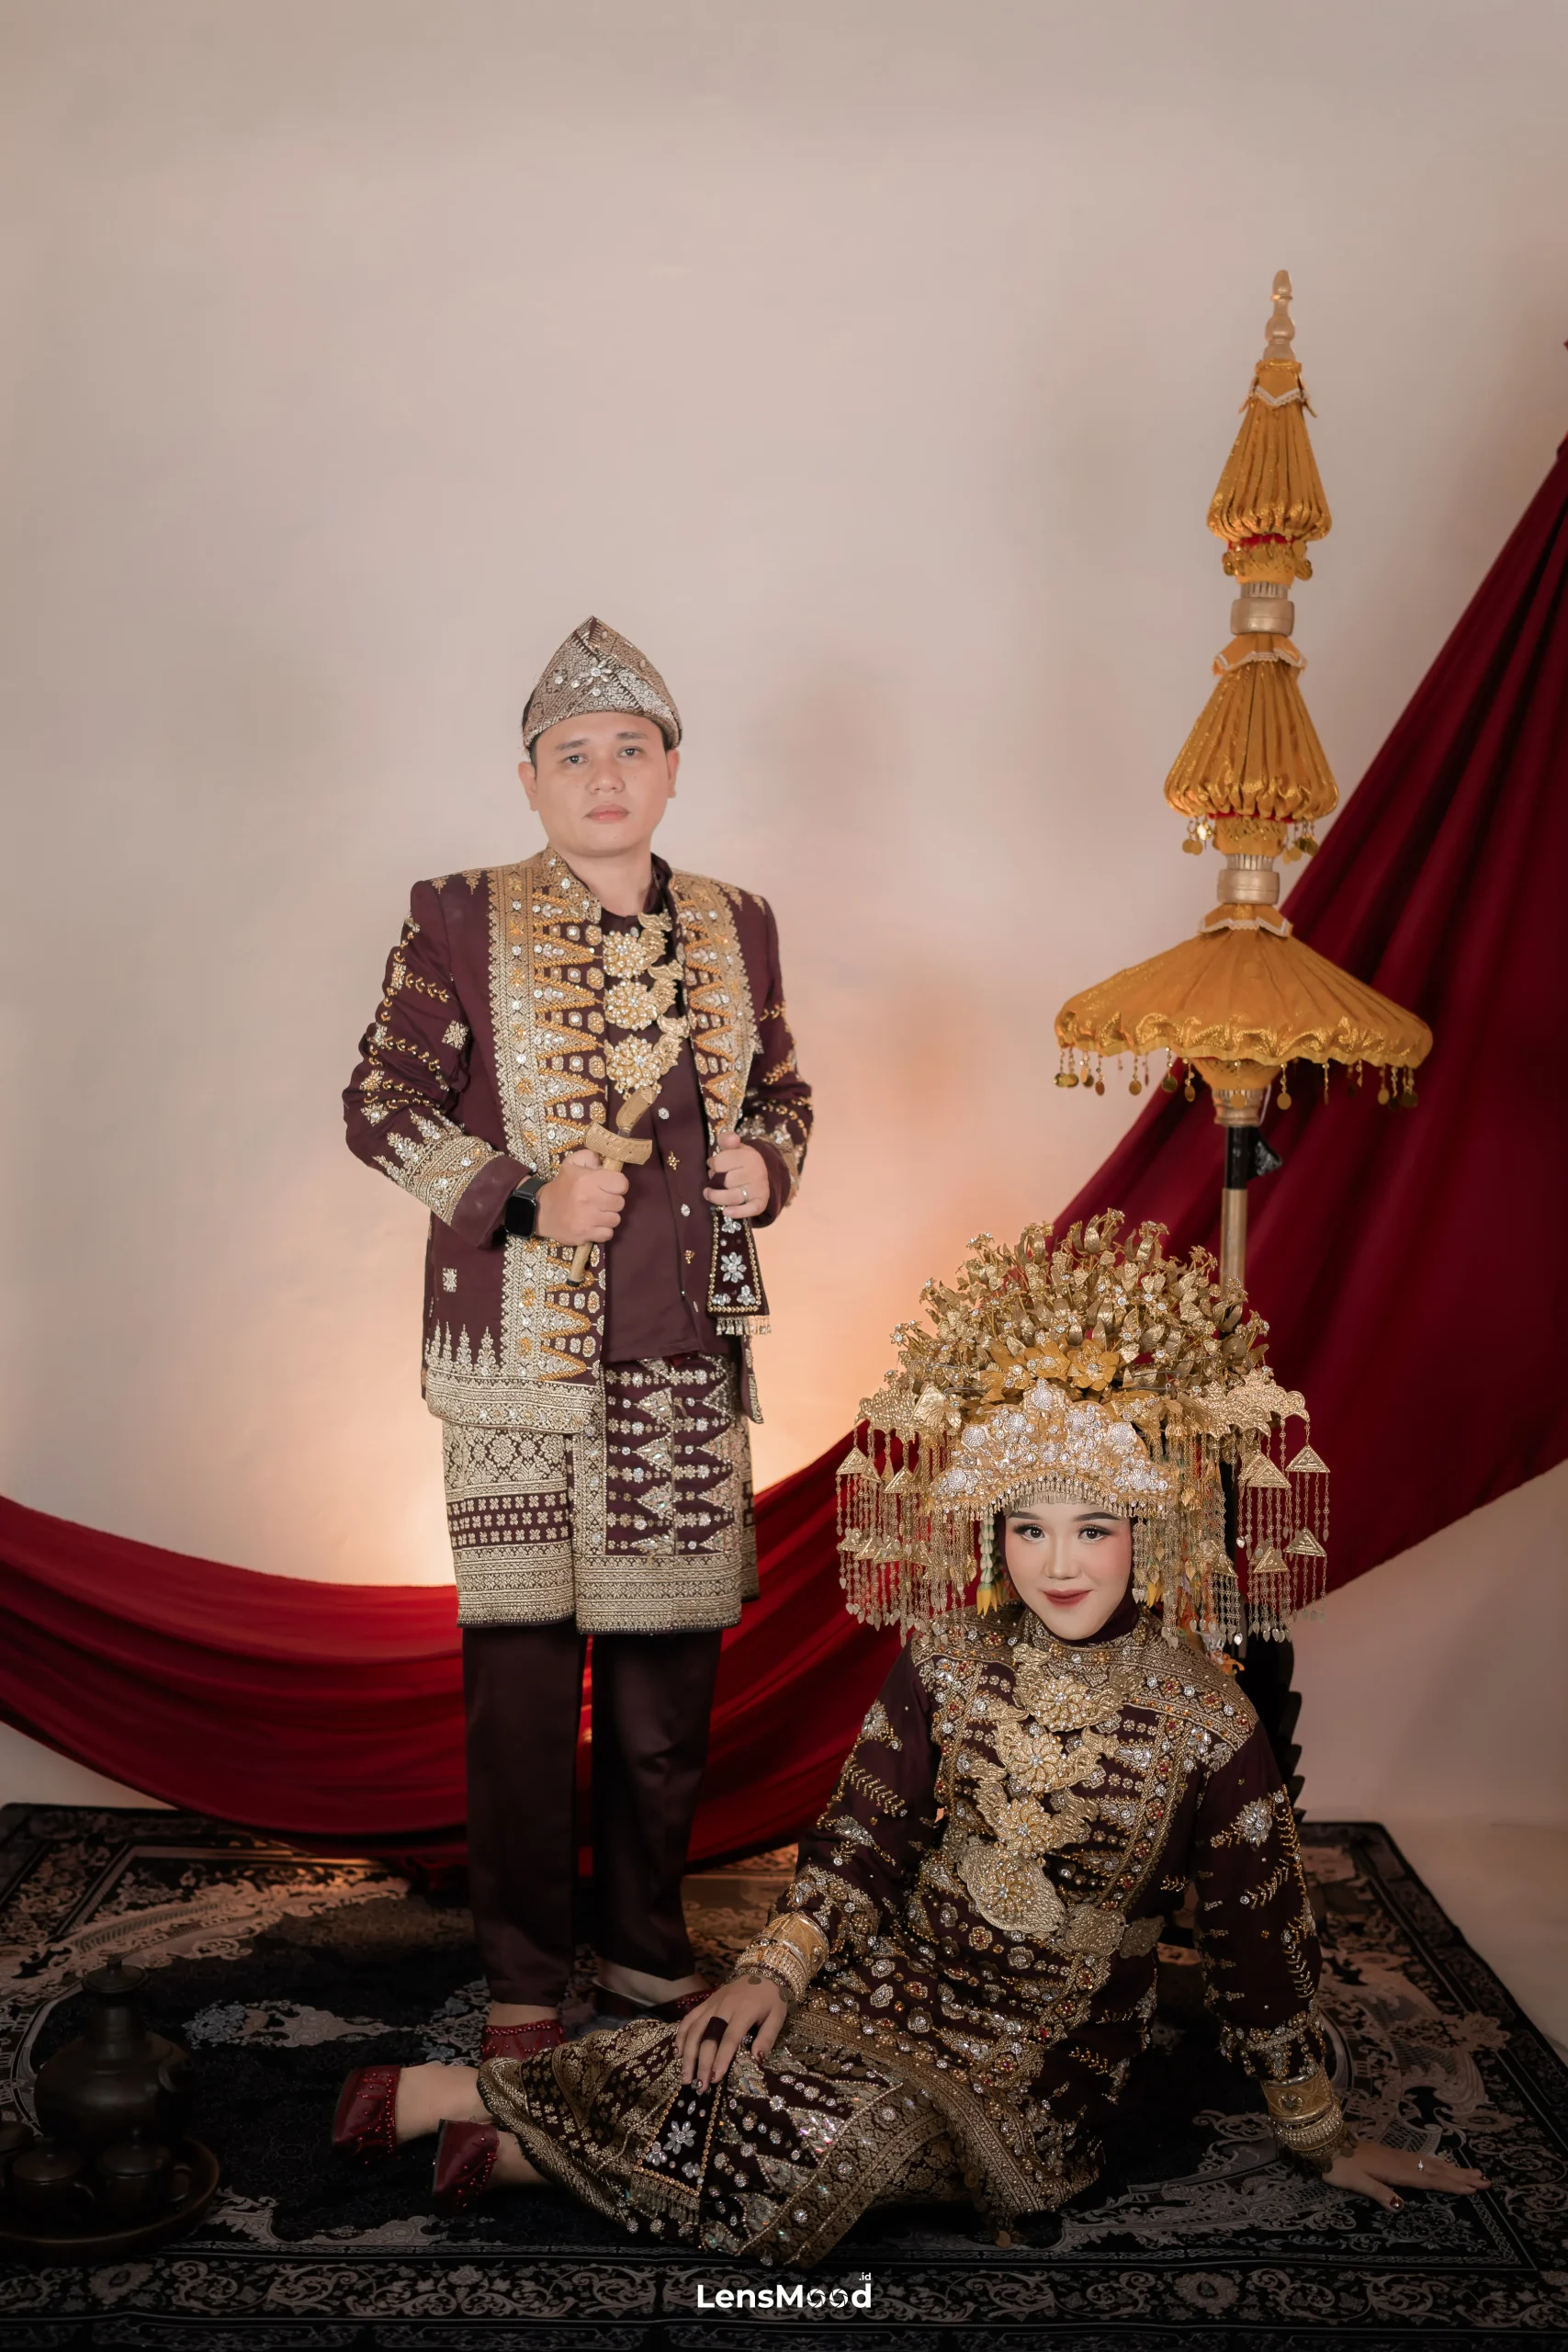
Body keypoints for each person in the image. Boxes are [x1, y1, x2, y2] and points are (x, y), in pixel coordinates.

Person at [333, 1213, 1485, 2253]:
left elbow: (1259, 1938)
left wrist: (1320, 2134)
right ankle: (460, 2101)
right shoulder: (948, 1656)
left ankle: (512, 2145)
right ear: (992, 1529)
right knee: (723, 2045)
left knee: (827, 2150)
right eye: (1028, 1528)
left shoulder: (1208, 1718)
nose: (1059, 1563)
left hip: (1045, 2063)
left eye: (1094, 1528)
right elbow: (862, 1842)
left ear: (1154, 1526)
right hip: (893, 1984)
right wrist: (775, 1971)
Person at [342, 616, 812, 2064]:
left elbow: (782, 1091)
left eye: (629, 750)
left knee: (666, 1691)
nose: (603, 776)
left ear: (670, 770)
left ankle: (649, 1954)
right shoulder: (456, 916)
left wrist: (769, 1165)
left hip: (679, 1351)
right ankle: (525, 1981)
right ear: (530, 782)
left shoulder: (738, 921)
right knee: (525, 1693)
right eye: (571, 756)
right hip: (517, 1374)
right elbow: (380, 1105)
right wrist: (526, 1198)